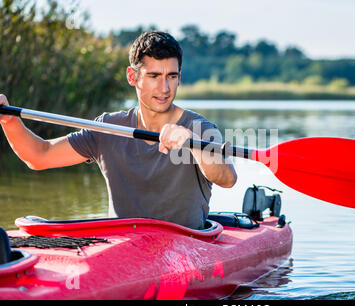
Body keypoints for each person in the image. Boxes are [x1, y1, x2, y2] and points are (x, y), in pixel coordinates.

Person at [0, 31, 237, 230]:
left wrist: (193, 142)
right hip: (124, 252)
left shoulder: (200, 128)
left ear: (179, 78)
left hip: (188, 248)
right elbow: (39, 155)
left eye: (171, 76)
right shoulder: (108, 129)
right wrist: (8, 121)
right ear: (132, 76)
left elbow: (227, 178)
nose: (164, 88)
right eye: (154, 76)